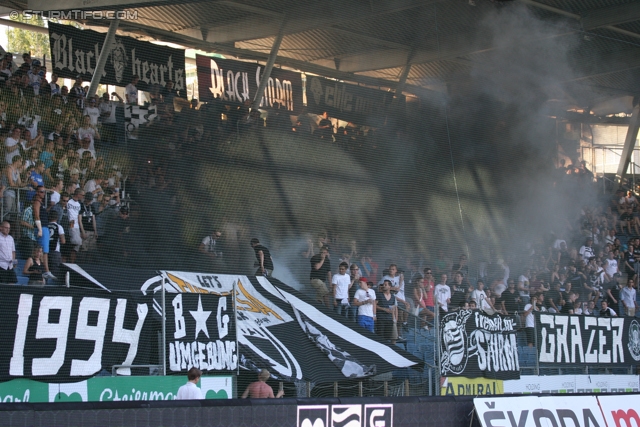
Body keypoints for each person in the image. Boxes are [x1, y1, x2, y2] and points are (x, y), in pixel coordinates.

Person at [32, 186, 56, 280]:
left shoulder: (42, 203)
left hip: (45, 227)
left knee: (45, 250)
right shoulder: (37, 202)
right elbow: (37, 215)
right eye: (42, 192)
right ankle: (45, 271)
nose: (43, 193)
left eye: (44, 192)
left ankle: (45, 271)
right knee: (43, 251)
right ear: (37, 192)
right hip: (42, 228)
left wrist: (50, 206)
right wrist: (40, 229)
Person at [47, 210, 65, 281]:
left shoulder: (45, 226)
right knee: (55, 272)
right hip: (55, 252)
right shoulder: (59, 227)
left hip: (45, 252)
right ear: (57, 217)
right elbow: (63, 241)